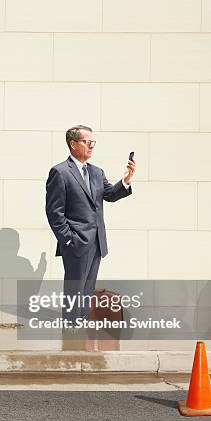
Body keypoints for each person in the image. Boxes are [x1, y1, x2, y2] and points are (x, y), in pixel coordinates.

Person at [45, 125, 135, 323]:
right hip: (76, 242)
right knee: (74, 289)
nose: (92, 146)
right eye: (88, 142)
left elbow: (109, 195)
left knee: (86, 290)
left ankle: (81, 326)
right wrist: (68, 240)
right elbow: (54, 212)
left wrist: (126, 180)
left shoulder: (96, 172)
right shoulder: (60, 172)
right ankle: (70, 329)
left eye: (93, 142)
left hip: (96, 242)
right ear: (73, 144)